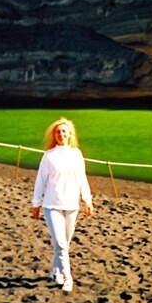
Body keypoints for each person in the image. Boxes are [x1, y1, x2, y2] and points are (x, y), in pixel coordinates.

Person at [32, 117, 93, 293]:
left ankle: (55, 271)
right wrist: (36, 204)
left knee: (64, 243)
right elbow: (40, 181)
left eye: (64, 131)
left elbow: (82, 178)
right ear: (54, 135)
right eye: (58, 132)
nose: (61, 134)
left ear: (69, 134)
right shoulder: (48, 156)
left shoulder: (76, 154)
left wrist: (87, 199)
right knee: (60, 244)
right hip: (52, 205)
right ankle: (68, 277)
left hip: (72, 205)